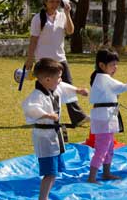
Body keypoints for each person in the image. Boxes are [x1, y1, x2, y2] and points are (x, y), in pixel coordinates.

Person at [22, 58, 89, 200]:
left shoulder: (54, 88)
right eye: (58, 77)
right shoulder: (37, 95)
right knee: (50, 172)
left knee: (54, 171)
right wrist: (46, 114)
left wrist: (78, 90)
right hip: (44, 137)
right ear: (47, 79)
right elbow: (30, 107)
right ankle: (43, 198)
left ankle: (44, 196)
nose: (60, 80)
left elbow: (64, 87)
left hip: (54, 135)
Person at [25, 0, 88, 127]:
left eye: (57, 1)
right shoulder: (38, 19)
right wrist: (30, 58)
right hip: (44, 61)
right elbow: (33, 40)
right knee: (43, 90)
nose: (54, 4)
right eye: (51, 1)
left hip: (60, 58)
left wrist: (67, 13)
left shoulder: (62, 15)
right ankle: (40, 115)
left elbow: (70, 31)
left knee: (69, 87)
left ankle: (78, 117)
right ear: (45, 2)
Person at [88, 48, 127, 183]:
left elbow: (115, 89)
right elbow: (120, 87)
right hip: (103, 117)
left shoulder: (102, 78)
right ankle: (92, 177)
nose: (115, 67)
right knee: (102, 147)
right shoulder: (102, 78)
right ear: (102, 65)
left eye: (115, 64)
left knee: (109, 147)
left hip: (108, 115)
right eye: (112, 64)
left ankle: (106, 172)